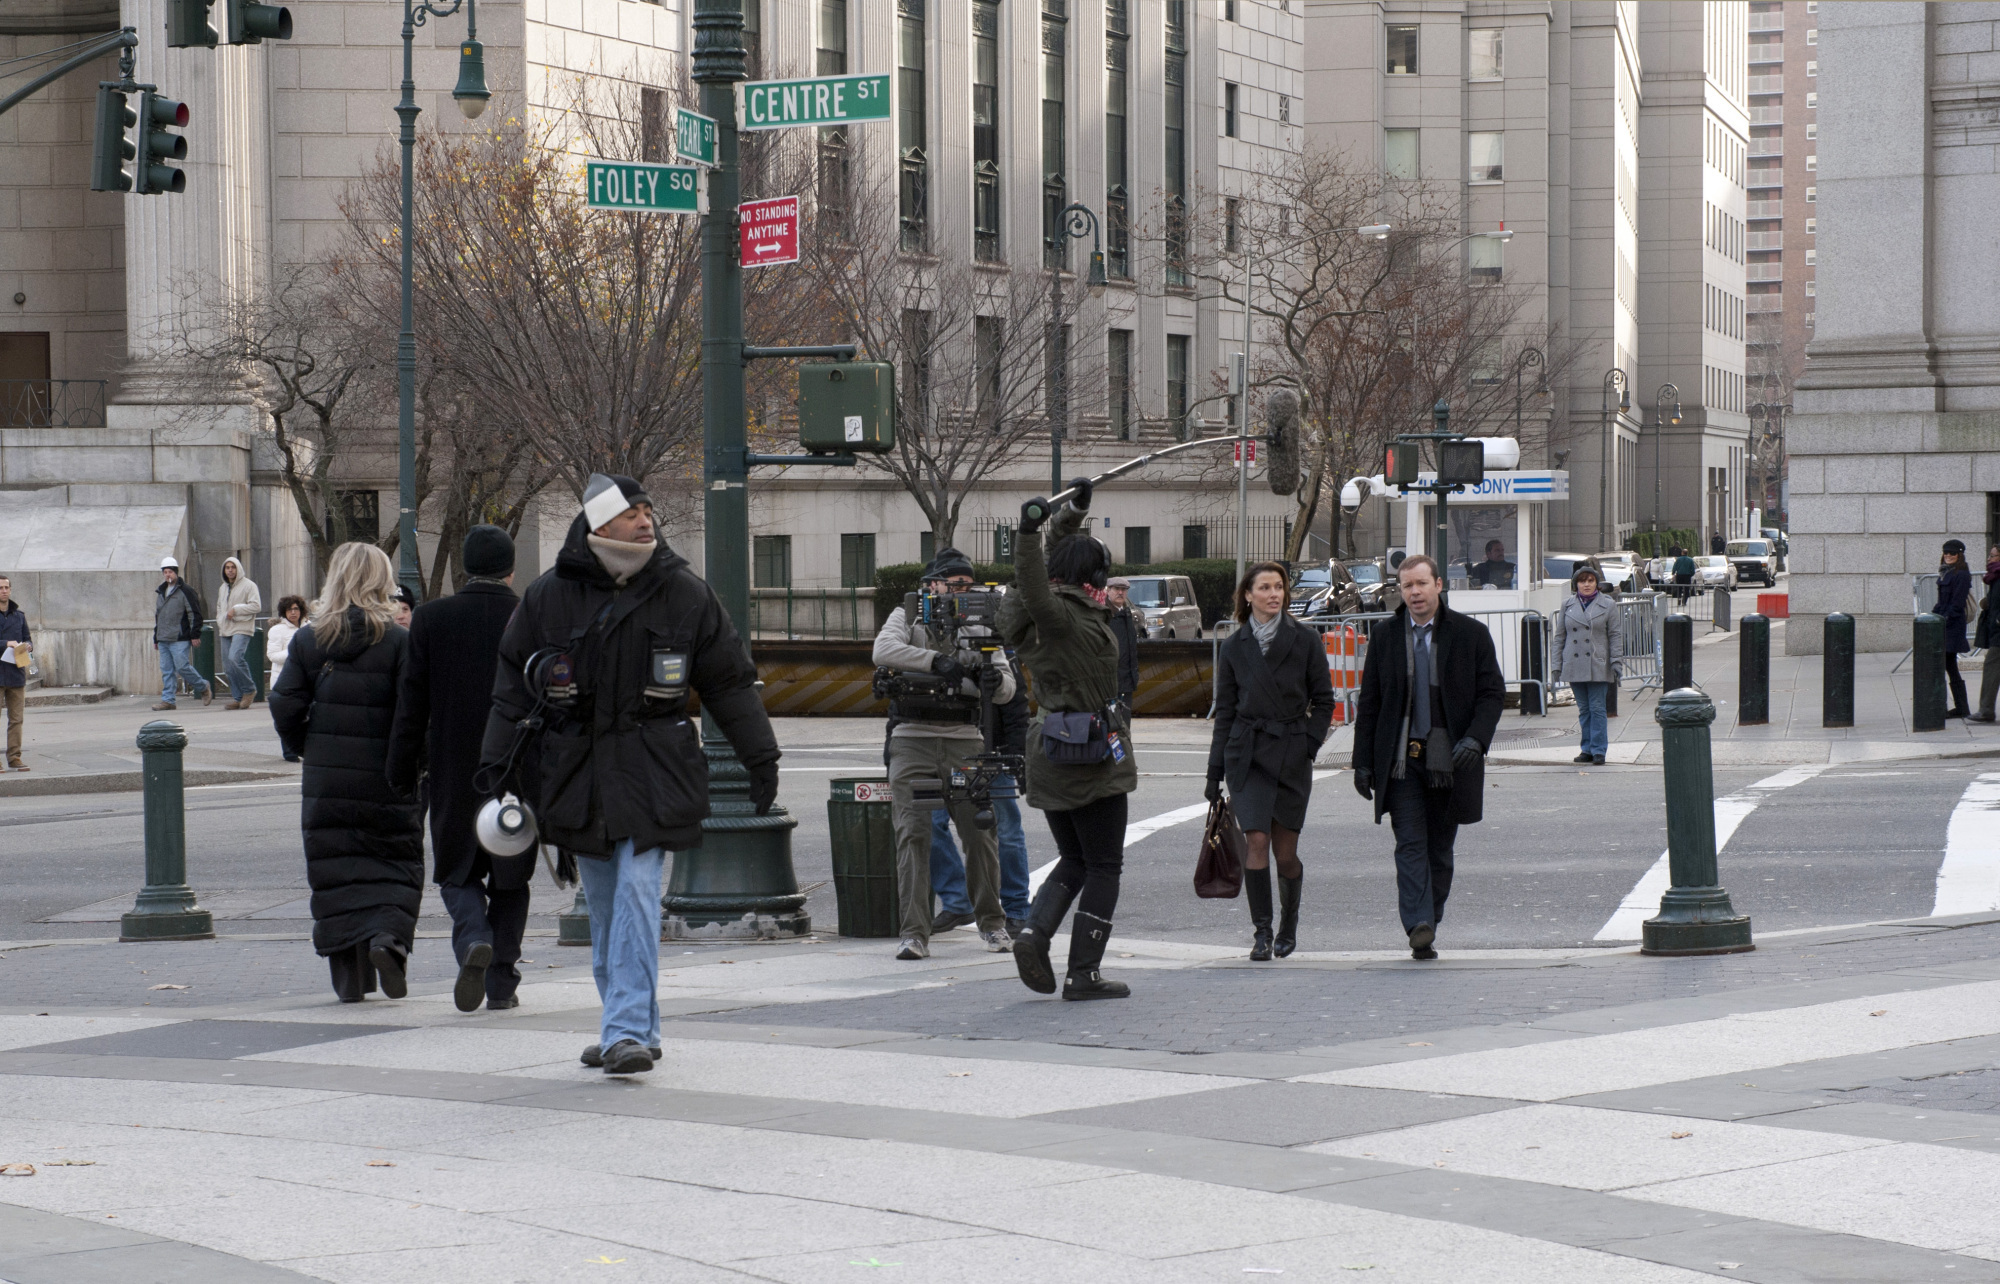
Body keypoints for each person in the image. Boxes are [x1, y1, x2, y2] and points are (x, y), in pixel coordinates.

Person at [481, 474, 780, 1077]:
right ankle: (637, 1024)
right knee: (608, 903)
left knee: (639, 894)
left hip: (653, 765)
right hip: (578, 769)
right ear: (598, 525)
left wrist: (761, 756)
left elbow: (727, 680)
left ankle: (621, 1030)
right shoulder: (549, 595)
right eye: (631, 512)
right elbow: (511, 687)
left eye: (647, 510)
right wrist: (497, 767)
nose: (645, 519)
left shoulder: (684, 591)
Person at [269, 542, 425, 1003]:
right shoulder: (398, 641)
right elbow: (415, 713)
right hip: (386, 775)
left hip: (328, 778)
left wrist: (304, 747)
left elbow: (285, 703)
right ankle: (387, 939)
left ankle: (350, 976)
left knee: (336, 869)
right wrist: (413, 764)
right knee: (396, 863)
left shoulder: (309, 639)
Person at [999, 479, 1138, 1000]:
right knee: (1104, 863)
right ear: (1092, 579)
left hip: (1049, 747)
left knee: (1075, 858)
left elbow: (1046, 575)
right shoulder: (1061, 617)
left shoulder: (1037, 614)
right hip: (1093, 749)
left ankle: (1035, 934)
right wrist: (1028, 532)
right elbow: (1038, 577)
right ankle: (1085, 971)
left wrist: (1071, 513)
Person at [388, 526, 528, 1013]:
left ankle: (472, 937)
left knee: (456, 873)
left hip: (452, 767)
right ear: (511, 569)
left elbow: (412, 706)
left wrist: (401, 769)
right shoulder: (529, 617)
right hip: (517, 769)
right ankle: (502, 982)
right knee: (511, 877)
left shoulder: (430, 619)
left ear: (465, 568)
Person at [1351, 555, 1504, 960]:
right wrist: (1362, 761)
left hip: (1449, 762)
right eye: (1407, 586)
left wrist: (1476, 739)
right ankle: (1417, 923)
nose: (1414, 592)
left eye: (1421, 584)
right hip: (1401, 761)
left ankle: (1430, 919)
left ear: (1439, 585)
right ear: (1399, 591)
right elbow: (1370, 703)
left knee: (1439, 849)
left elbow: (1491, 693)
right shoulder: (1385, 636)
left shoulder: (1470, 634)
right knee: (1410, 845)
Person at [872, 546, 1014, 960]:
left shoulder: (981, 620)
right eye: (954, 584)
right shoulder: (909, 615)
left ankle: (993, 925)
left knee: (979, 834)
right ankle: (914, 933)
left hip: (964, 740)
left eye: (967, 585)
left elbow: (1007, 689)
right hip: (912, 738)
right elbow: (883, 650)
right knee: (912, 834)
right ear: (932, 584)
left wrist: (987, 679)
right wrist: (937, 661)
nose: (961, 591)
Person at [1205, 562, 1336, 960]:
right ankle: (1262, 933)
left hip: (1291, 753)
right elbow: (1224, 711)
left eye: (1279, 587)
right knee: (1255, 840)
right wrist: (1214, 772)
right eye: (1265, 587)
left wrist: (1308, 745)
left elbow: (1325, 700)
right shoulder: (1233, 646)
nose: (1274, 594)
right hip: (1246, 754)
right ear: (1248, 595)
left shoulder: (1304, 639)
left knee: (1286, 853)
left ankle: (1288, 924)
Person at [929, 655, 1033, 938]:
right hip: (942, 750)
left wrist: (1015, 753)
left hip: (993, 752)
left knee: (1007, 832)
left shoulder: (996, 651)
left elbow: (1016, 706)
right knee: (929, 824)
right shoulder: (931, 650)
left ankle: (1016, 909)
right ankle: (958, 901)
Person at [1552, 564, 1623, 765]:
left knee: (1598, 708)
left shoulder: (1608, 605)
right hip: (1574, 664)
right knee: (1584, 709)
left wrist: (1616, 661)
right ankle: (1587, 749)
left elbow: (1615, 635)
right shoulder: (1568, 604)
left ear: (1597, 583)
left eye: (1590, 581)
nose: (1586, 584)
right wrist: (1556, 665)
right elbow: (1560, 637)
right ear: (1576, 584)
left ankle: (1599, 750)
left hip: (1598, 663)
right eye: (1582, 581)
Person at [153, 556, 211, 711]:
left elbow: (195, 613)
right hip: (164, 637)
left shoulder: (186, 590)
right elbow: (158, 615)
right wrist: (155, 636)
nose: (167, 575)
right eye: (165, 572)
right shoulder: (161, 591)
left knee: (182, 667)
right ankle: (168, 700)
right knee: (166, 670)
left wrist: (195, 634)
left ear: (176, 572)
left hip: (180, 637)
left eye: (170, 572)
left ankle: (203, 686)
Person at [215, 556, 262, 710]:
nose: (230, 570)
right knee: (228, 665)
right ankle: (237, 697)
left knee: (235, 657)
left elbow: (256, 606)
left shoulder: (249, 585)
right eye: (227, 567)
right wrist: (220, 620)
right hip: (226, 628)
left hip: (242, 626)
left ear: (238, 568)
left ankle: (249, 690)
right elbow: (219, 607)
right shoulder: (222, 588)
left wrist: (236, 610)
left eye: (233, 567)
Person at [266, 595, 308, 761]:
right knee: (285, 717)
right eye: (289, 609)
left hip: (305, 679)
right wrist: (295, 651)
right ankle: (289, 752)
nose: (293, 612)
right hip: (284, 679)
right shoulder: (277, 630)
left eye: (296, 609)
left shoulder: (308, 628)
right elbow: (273, 655)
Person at [1939, 538, 1973, 720]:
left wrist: (1944, 618)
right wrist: (1933, 617)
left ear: (1959, 554)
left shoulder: (1961, 575)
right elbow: (1941, 602)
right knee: (1949, 665)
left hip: (1952, 626)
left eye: (1952, 553)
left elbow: (1957, 603)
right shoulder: (1945, 573)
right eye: (1946, 553)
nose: (1948, 556)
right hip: (1943, 624)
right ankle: (1961, 707)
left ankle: (1950, 706)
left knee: (1945, 663)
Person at [0, 574, 29, 771]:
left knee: (17, 719)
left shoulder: (19, 616)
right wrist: (5, 643)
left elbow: (28, 638)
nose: (4, 591)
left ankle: (14, 757)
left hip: (16, 673)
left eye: (6, 587)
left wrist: (28, 646)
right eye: (0, 588)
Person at [1105, 576, 1143, 705]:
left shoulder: (1127, 614)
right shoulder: (1103, 615)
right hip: (1108, 681)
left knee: (1124, 721)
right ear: (1108, 590)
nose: (1120, 593)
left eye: (1124, 589)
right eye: (1117, 589)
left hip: (1126, 680)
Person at [1973, 546, 2000, 723]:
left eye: (1992, 556)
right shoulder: (1995, 577)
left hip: (1999, 634)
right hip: (1995, 631)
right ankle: (1986, 709)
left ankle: (1986, 710)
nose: (1989, 559)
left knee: (1991, 667)